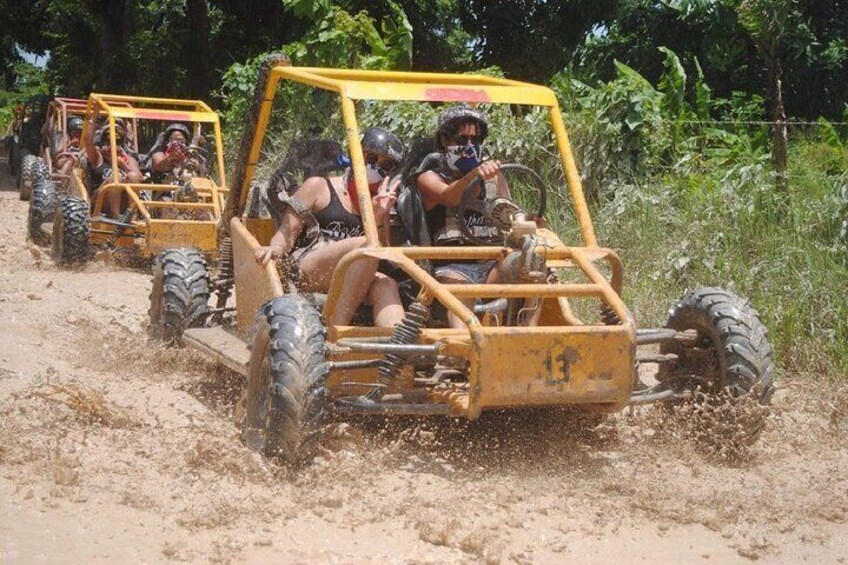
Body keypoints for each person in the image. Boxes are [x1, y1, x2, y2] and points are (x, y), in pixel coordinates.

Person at [255, 127, 406, 328]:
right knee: (364, 244)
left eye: (385, 165)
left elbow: (382, 252)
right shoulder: (319, 186)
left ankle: (399, 348)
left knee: (386, 284)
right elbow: (286, 233)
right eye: (370, 158)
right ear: (355, 156)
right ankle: (336, 329)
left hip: (355, 273)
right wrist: (274, 249)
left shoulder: (379, 203)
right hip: (309, 266)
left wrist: (378, 215)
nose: (375, 167)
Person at [415, 105, 505, 328]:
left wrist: (529, 220)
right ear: (446, 141)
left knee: (535, 268)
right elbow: (450, 197)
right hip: (452, 267)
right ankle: (463, 350)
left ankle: (533, 338)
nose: (469, 146)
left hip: (491, 263)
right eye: (462, 139)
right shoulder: (429, 178)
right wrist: (474, 174)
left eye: (475, 140)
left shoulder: (494, 177)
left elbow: (507, 213)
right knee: (462, 294)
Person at [82, 117, 142, 217]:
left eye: (117, 142)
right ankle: (116, 217)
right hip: (100, 201)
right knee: (116, 177)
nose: (112, 144)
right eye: (108, 141)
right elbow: (88, 142)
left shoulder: (128, 158)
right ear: (103, 141)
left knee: (133, 176)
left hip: (124, 203)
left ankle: (132, 216)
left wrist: (123, 165)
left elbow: (139, 179)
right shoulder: (98, 156)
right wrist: (91, 122)